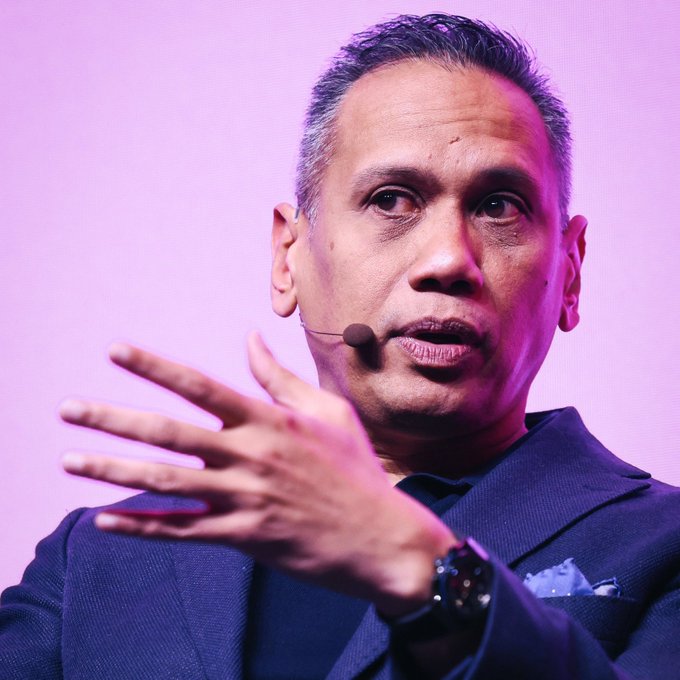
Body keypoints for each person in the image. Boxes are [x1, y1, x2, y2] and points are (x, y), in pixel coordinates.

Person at [1, 13, 678, 680]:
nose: (448, 259)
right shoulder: (94, 562)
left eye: (499, 206)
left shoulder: (663, 543)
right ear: (287, 258)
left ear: (571, 273)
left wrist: (426, 572)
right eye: (391, 200)